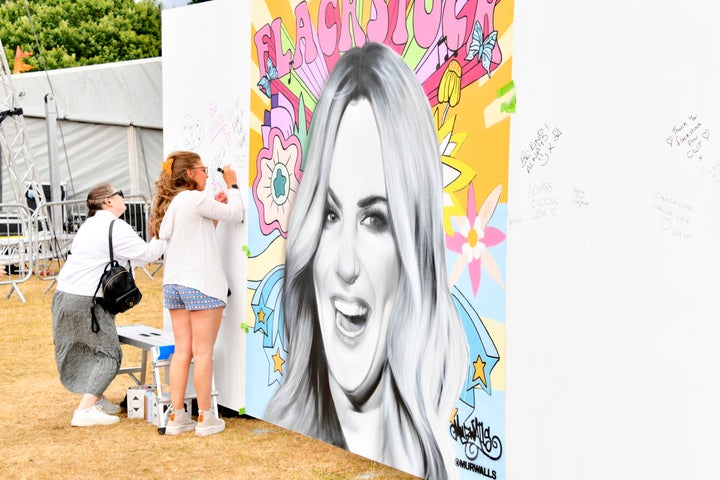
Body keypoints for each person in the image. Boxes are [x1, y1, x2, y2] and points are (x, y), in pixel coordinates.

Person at [264, 42, 469, 479]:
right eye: (330, 215)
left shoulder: (435, 462)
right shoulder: (284, 442)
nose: (346, 263)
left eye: (375, 218)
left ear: (415, 249)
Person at [52, 184, 166, 427]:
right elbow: (147, 253)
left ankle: (97, 398)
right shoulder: (116, 226)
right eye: (119, 194)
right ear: (107, 202)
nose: (123, 198)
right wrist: (164, 235)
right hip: (89, 300)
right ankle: (84, 410)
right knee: (108, 354)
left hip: (64, 293)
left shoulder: (88, 225)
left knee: (82, 348)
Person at [151, 151, 245, 436]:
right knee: (203, 353)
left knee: (183, 352)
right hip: (201, 284)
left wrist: (213, 210)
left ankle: (177, 416)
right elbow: (237, 214)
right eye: (203, 169)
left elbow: (197, 232)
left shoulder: (175, 203)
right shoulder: (195, 198)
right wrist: (233, 186)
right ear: (190, 174)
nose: (207, 174)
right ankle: (206, 417)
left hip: (175, 285)